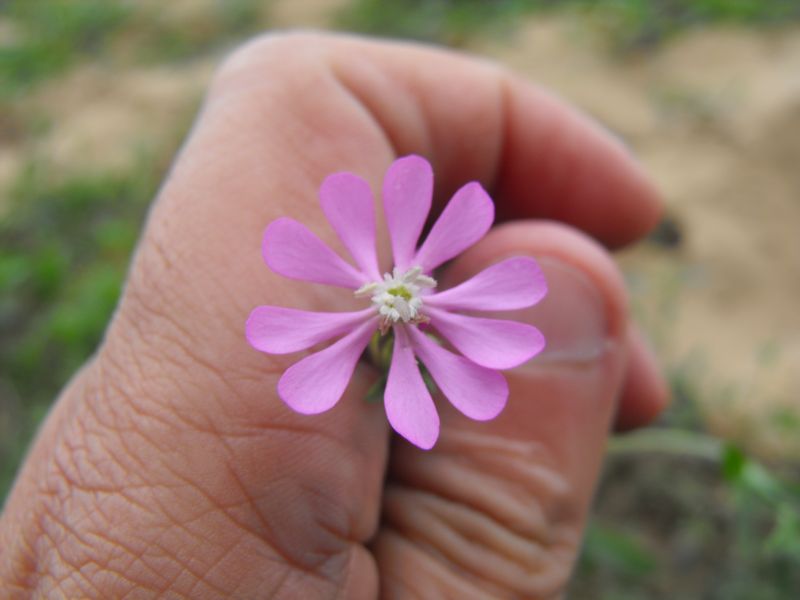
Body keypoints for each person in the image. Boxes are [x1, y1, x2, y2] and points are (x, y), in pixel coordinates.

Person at [0, 33, 668, 598]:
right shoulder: (372, 313)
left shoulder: (412, 298)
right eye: (393, 293)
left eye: (401, 291)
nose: (398, 296)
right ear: (382, 295)